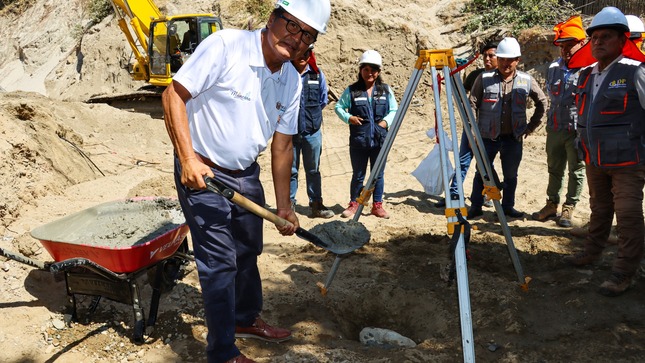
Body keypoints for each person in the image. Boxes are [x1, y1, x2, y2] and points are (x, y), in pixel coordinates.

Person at [161, 0, 331, 362]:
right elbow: (172, 95)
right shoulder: (226, 46)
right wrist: (188, 159)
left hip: (245, 173)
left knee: (249, 250)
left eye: (308, 35)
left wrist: (285, 206)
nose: (296, 38)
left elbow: (282, 147)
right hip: (203, 171)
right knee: (220, 262)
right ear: (274, 18)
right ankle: (222, 352)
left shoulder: (291, 80)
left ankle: (244, 318)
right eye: (292, 25)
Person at [563, 6, 645, 297]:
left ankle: (623, 272)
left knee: (628, 216)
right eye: (594, 37)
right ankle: (591, 253)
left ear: (623, 40)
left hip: (628, 161)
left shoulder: (635, 72)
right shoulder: (586, 75)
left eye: (606, 36)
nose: (598, 42)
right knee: (599, 210)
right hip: (595, 157)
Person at [467, 37, 547, 219]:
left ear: (517, 60)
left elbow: (542, 101)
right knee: (482, 172)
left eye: (509, 60)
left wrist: (531, 127)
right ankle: (476, 206)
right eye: (501, 59)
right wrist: (473, 130)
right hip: (487, 137)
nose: (505, 63)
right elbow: (471, 103)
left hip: (513, 138)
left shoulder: (526, 80)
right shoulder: (484, 78)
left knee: (511, 175)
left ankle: (507, 207)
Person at [531, 15, 586, 227]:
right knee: (554, 167)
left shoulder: (588, 68)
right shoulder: (554, 67)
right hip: (555, 127)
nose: (565, 50)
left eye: (570, 45)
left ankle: (569, 208)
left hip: (576, 130)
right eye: (562, 46)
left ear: (582, 44)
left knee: (576, 170)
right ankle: (551, 204)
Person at [334, 50, 399, 219]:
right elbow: (338, 107)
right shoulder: (352, 91)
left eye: (373, 70)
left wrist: (385, 122)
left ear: (378, 72)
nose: (370, 73)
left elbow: (394, 109)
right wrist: (349, 118)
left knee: (377, 174)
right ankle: (354, 204)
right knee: (358, 174)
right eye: (366, 69)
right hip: (359, 140)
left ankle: (377, 206)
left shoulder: (385, 90)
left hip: (380, 140)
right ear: (361, 70)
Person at [435, 41, 498, 208]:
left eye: (491, 55)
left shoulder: (501, 79)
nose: (487, 59)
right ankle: (454, 193)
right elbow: (464, 96)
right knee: (462, 161)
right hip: (471, 125)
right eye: (485, 56)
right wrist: (451, 74)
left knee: (485, 164)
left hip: (488, 130)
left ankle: (486, 195)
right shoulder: (476, 75)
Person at [289, 46, 334, 218]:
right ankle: (288, 206)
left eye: (306, 52)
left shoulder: (317, 75)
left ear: (310, 54)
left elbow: (323, 100)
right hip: (290, 132)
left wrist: (310, 116)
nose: (302, 56)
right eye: (299, 52)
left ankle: (316, 205)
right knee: (291, 171)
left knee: (313, 170)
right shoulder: (285, 73)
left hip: (312, 132)